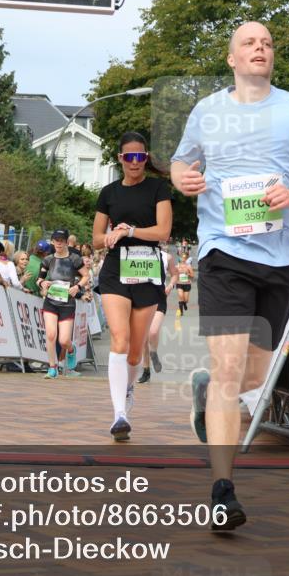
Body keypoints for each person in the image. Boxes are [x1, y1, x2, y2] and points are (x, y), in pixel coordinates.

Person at [171, 21, 289, 530]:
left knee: (250, 377)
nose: (260, 48)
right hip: (223, 250)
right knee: (229, 372)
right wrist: (185, 179)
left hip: (280, 258)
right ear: (232, 58)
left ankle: (206, 394)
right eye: (249, 42)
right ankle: (223, 490)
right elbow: (182, 166)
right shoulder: (208, 110)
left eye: (267, 42)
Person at [93, 131, 173, 441]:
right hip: (115, 270)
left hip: (147, 268)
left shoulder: (158, 188)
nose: (135, 162)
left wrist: (130, 230)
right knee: (120, 337)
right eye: (129, 156)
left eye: (141, 156)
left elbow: (163, 231)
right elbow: (97, 238)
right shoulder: (109, 193)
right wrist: (111, 236)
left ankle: (128, 393)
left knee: (135, 352)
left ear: (146, 158)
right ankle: (118, 414)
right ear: (120, 159)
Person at [37, 229, 89, 379]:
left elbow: (86, 276)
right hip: (51, 302)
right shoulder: (48, 260)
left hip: (67, 304)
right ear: (52, 242)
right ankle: (52, 368)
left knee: (64, 340)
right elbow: (39, 279)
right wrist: (43, 283)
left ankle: (71, 350)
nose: (59, 243)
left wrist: (77, 287)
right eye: (56, 240)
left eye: (61, 240)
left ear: (66, 242)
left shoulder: (74, 259)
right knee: (51, 334)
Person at [138, 242, 178, 384]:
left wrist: (171, 285)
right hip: (142, 296)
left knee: (153, 332)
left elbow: (174, 274)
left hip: (159, 297)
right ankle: (146, 370)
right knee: (143, 336)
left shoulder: (167, 257)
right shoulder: (139, 254)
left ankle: (153, 351)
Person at [174, 251, 194, 317]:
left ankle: (185, 303)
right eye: (182, 257)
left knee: (186, 299)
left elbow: (192, 275)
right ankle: (181, 312)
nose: (183, 258)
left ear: (186, 258)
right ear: (180, 258)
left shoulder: (189, 266)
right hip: (179, 283)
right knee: (180, 296)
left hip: (187, 284)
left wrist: (188, 274)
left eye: (184, 257)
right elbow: (174, 275)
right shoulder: (177, 266)